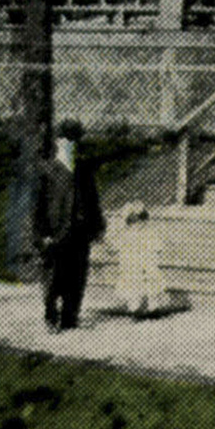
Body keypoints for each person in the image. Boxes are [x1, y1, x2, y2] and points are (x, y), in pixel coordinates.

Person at [31, 120, 103, 332]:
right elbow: (38, 206)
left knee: (77, 275)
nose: (70, 144)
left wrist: (97, 226)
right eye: (66, 140)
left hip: (79, 232)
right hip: (56, 232)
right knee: (54, 277)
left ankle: (70, 315)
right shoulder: (48, 172)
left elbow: (92, 200)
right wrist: (41, 233)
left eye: (74, 140)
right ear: (58, 141)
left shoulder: (83, 170)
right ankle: (51, 315)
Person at [113, 201, 173, 319]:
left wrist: (154, 253)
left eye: (140, 220)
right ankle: (135, 308)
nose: (137, 224)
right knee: (133, 285)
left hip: (147, 262)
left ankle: (153, 307)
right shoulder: (126, 234)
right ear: (129, 222)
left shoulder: (149, 233)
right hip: (131, 264)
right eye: (134, 221)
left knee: (152, 284)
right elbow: (118, 246)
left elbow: (158, 246)